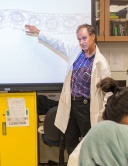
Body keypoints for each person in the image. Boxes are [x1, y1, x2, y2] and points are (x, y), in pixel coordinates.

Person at [25, 24, 111, 155]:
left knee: (89, 142)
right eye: (79, 39)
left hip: (86, 107)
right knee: (70, 141)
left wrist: (103, 112)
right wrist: (39, 32)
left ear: (93, 37)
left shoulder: (101, 63)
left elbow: (108, 92)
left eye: (84, 38)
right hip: (71, 104)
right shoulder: (75, 51)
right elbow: (57, 43)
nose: (81, 42)